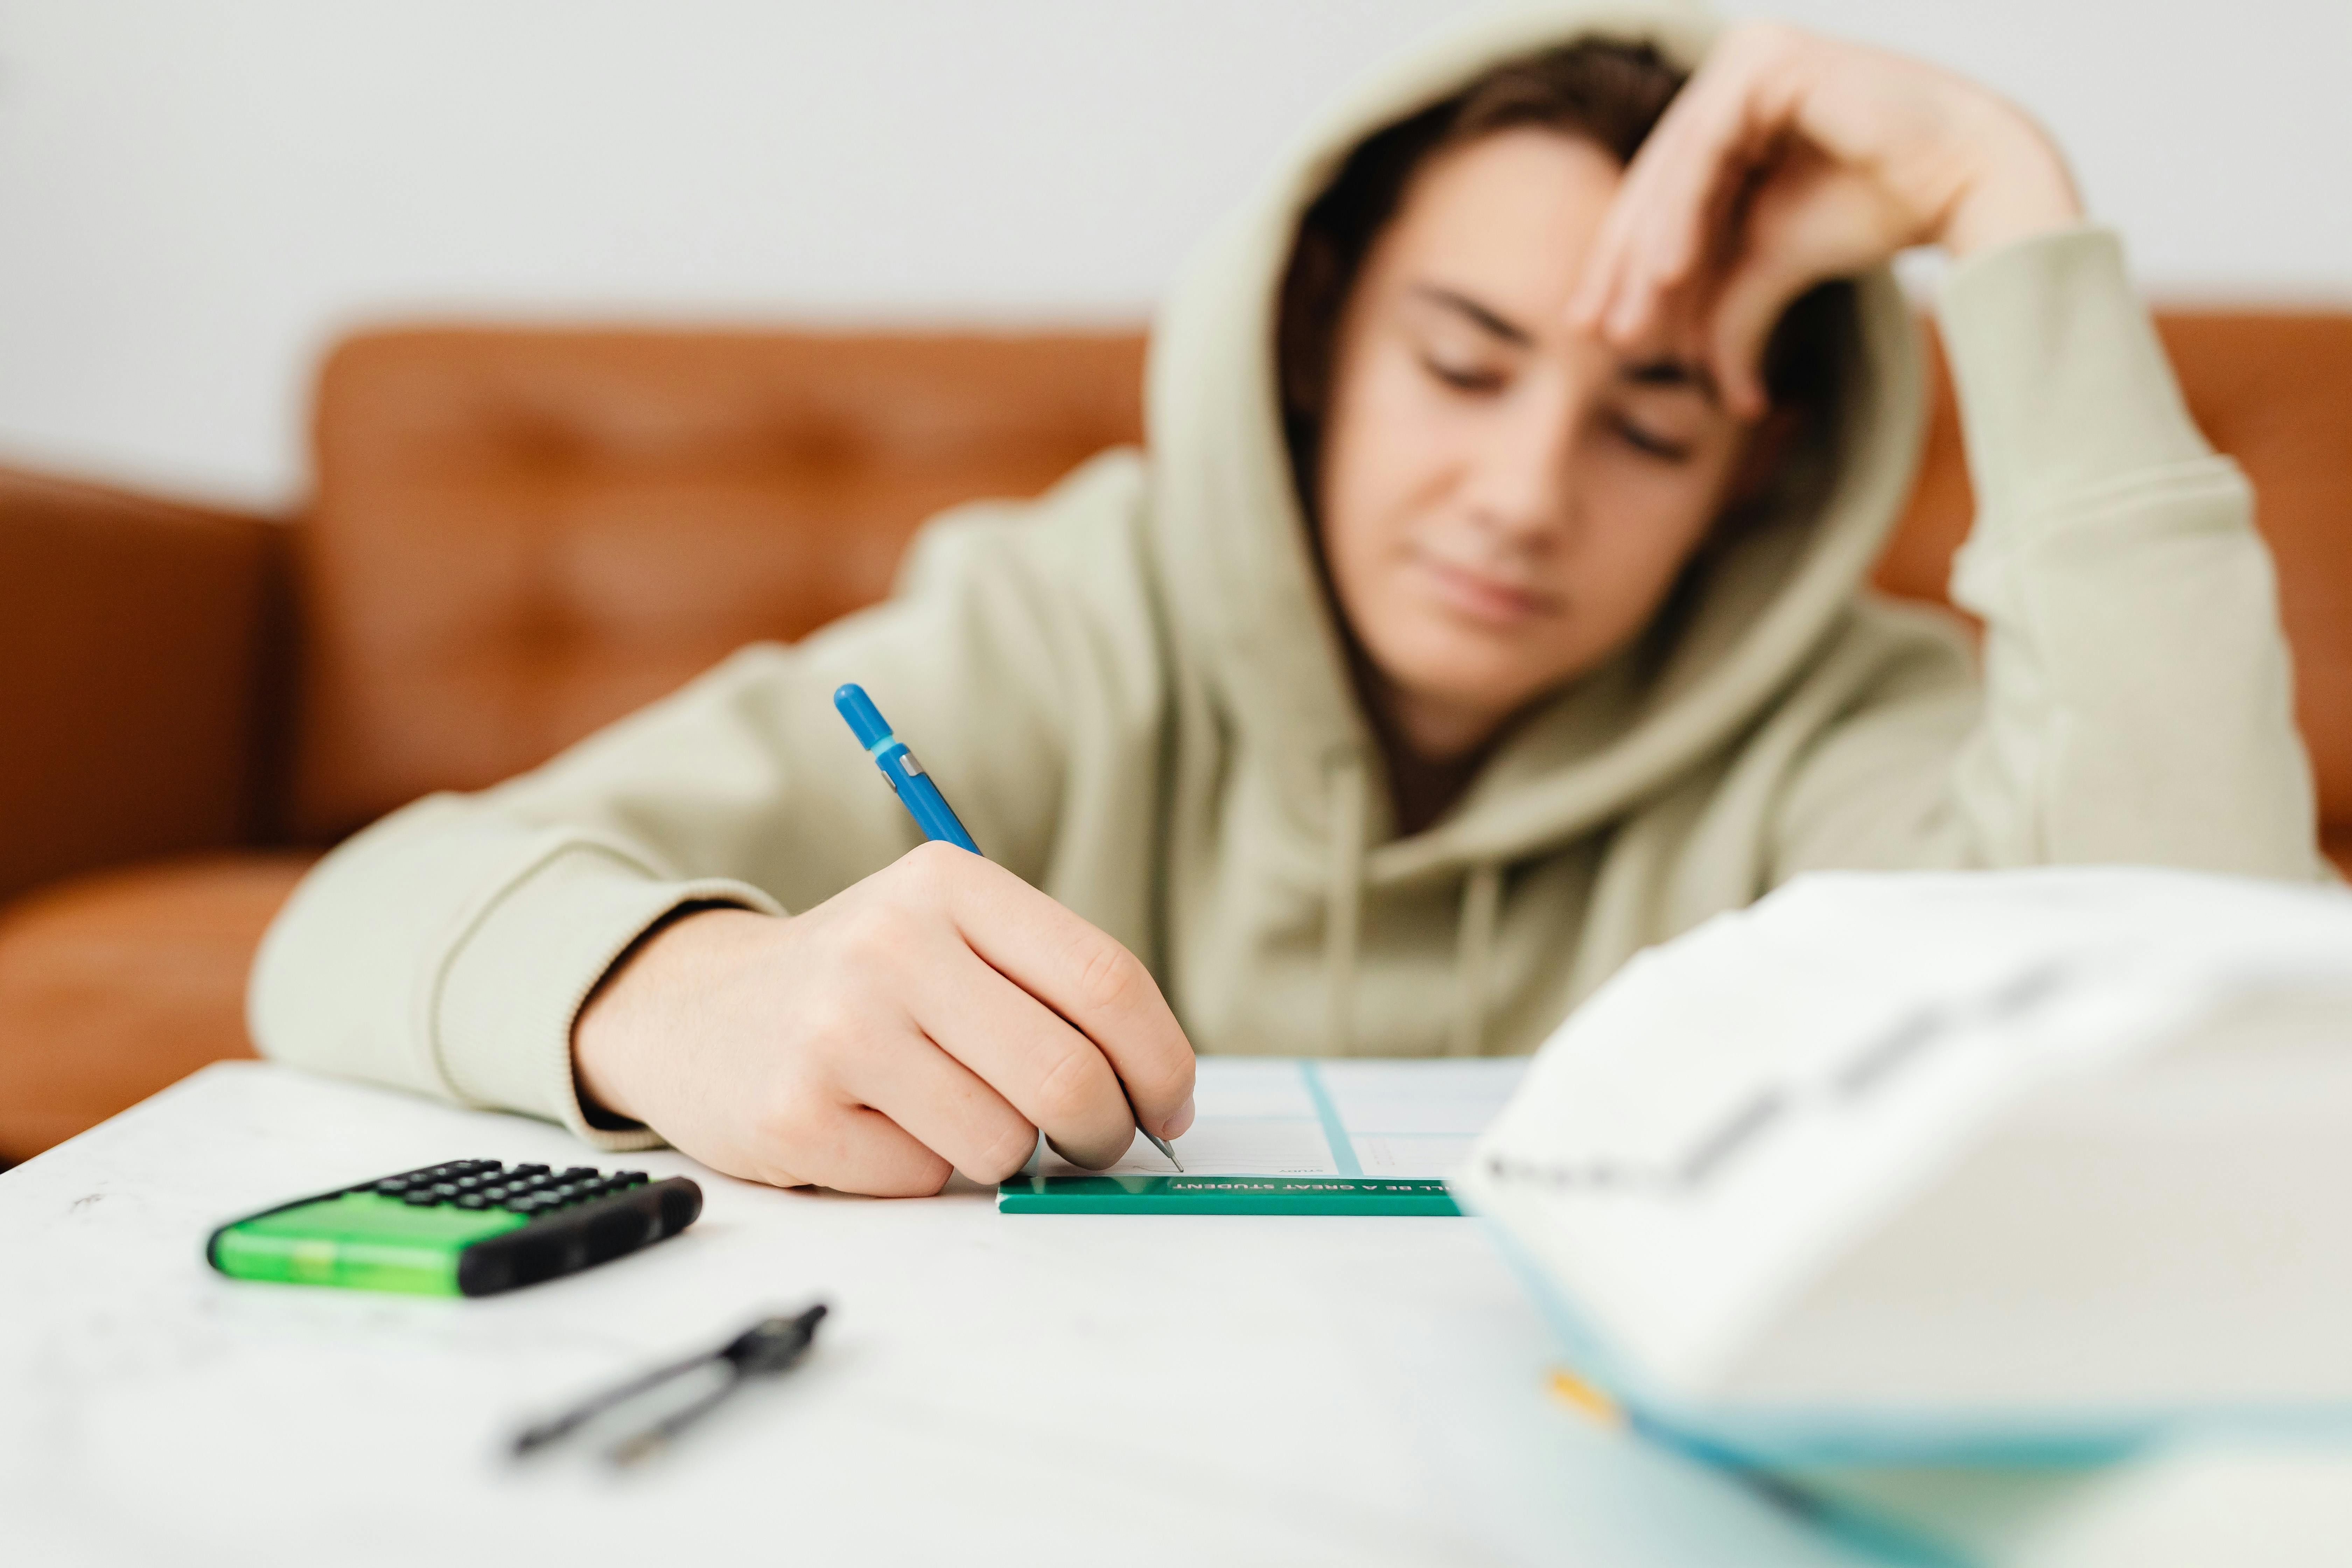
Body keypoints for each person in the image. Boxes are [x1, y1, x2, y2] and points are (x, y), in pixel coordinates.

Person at [251, 3, 2319, 1197]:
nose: (1523, 495)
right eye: (1465, 359)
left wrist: (2009, 212)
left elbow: (2195, 1000)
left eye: (1654, 413)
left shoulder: (1850, 721)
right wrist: (679, 992)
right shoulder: (1075, 619)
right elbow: (363, 912)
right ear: (1323, 353)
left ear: (1757, 476)